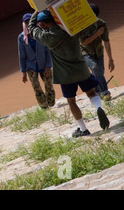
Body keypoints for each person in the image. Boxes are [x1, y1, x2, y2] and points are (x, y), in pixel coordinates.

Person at [28, 9, 110, 137]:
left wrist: (34, 14)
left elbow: (31, 29)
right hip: (81, 69)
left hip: (65, 75)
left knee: (71, 101)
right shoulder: (70, 28)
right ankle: (98, 107)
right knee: (91, 92)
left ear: (43, 24)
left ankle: (83, 129)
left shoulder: (47, 37)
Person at [18, 13, 55, 108]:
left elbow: (48, 50)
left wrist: (48, 66)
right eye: (26, 22)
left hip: (44, 63)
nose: (28, 23)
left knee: (49, 84)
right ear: (24, 24)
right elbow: (22, 55)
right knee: (36, 87)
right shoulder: (22, 38)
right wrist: (23, 72)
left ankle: (51, 103)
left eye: (30, 21)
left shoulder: (42, 32)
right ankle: (44, 106)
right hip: (31, 66)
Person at [78, 3, 115, 101]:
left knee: (99, 73)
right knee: (95, 68)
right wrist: (97, 34)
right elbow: (83, 43)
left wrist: (111, 59)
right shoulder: (80, 25)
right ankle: (105, 93)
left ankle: (97, 92)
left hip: (98, 52)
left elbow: (106, 41)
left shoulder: (101, 23)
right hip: (85, 53)